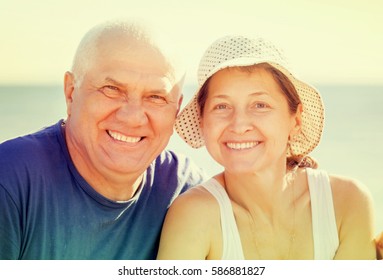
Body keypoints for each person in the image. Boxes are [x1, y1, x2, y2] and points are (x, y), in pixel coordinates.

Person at [157, 35, 377, 260]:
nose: (239, 125)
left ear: (296, 120)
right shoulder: (193, 215)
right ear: (202, 122)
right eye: (221, 106)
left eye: (260, 105)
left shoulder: (347, 203)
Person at [0, 20, 206, 260]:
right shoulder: (11, 181)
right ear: (71, 92)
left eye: (156, 97)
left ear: (176, 108)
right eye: (112, 89)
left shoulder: (188, 194)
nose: (132, 117)